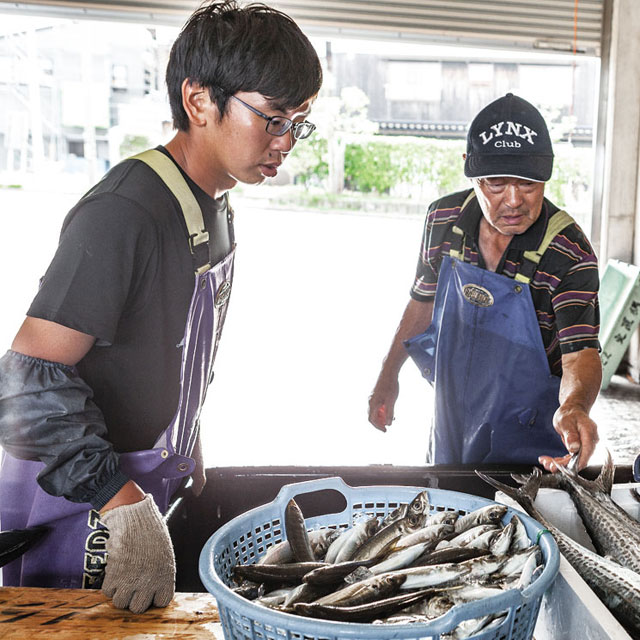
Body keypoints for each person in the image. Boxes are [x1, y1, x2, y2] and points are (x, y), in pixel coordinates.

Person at [0, 1, 322, 613]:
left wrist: (187, 441)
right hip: (81, 499)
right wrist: (118, 503)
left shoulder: (214, 203)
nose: (285, 142)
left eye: (297, 122)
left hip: (151, 474)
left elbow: (163, 345)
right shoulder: (125, 212)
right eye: (273, 119)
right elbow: (25, 381)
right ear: (199, 100)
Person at [368, 93, 601, 472]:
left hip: (534, 438)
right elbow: (421, 303)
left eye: (528, 184)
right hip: (453, 418)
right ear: (470, 171)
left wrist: (574, 406)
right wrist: (388, 375)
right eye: (496, 183)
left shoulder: (568, 251)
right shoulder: (442, 220)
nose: (513, 201)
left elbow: (580, 353)